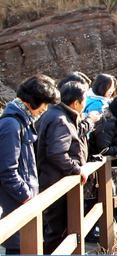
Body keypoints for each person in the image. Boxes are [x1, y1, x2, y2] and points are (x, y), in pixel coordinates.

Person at [0, 74, 59, 255]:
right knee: (19, 249)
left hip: (23, 203)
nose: (45, 109)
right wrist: (26, 195)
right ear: (33, 100)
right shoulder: (12, 124)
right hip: (17, 205)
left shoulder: (22, 120)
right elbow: (7, 169)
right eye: (44, 104)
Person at [36, 81, 95, 253]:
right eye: (84, 99)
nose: (85, 104)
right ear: (75, 103)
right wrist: (76, 169)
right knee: (57, 230)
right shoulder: (60, 120)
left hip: (52, 178)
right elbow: (57, 153)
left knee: (57, 228)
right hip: (56, 181)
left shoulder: (56, 114)